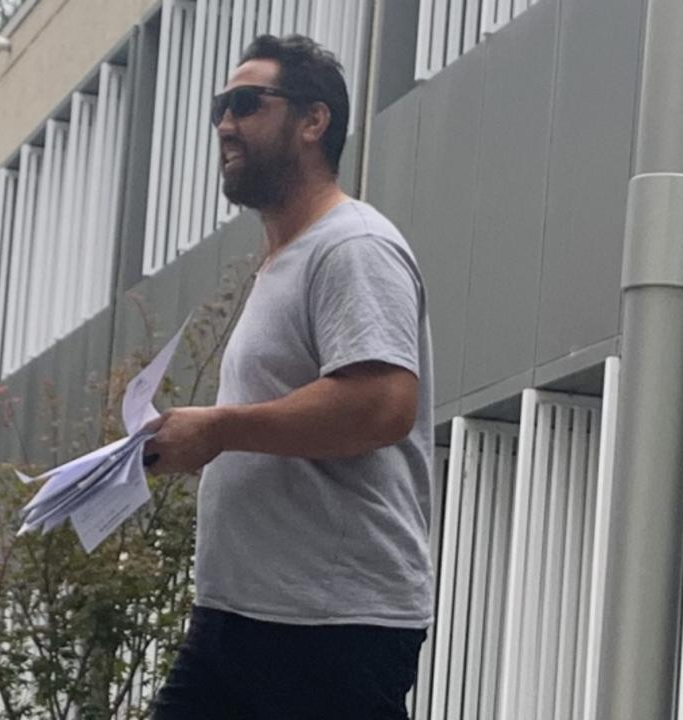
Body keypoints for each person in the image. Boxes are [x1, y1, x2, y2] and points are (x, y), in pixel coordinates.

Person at [142, 34, 435, 720]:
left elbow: (383, 404)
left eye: (246, 103)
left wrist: (219, 430)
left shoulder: (352, 246)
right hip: (239, 618)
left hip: (327, 629)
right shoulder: (288, 260)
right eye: (220, 107)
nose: (224, 124)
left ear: (313, 121)